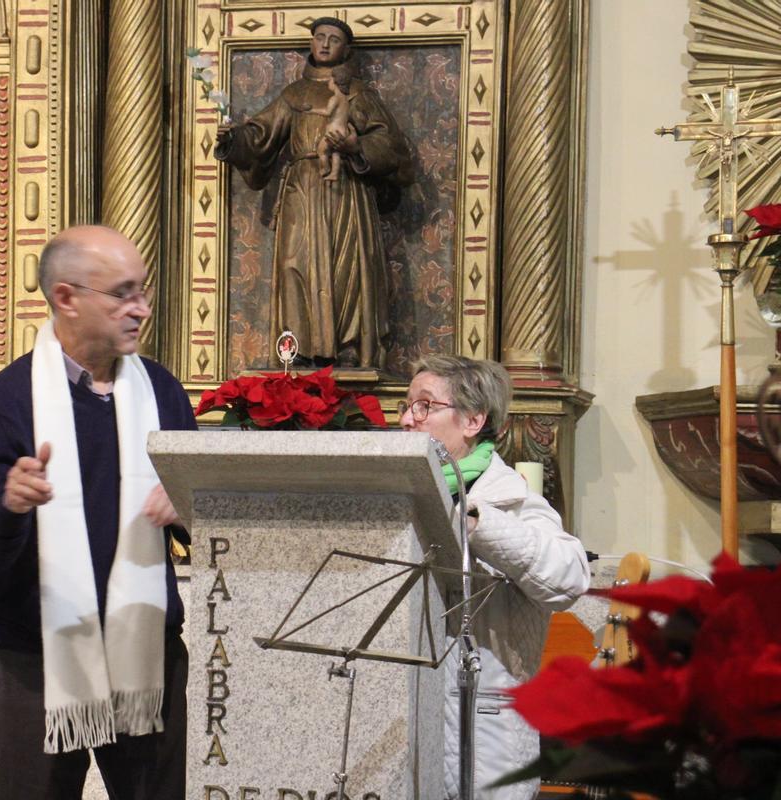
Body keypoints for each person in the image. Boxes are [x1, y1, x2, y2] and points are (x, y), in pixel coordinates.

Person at [0, 225, 194, 799]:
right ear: (66, 298)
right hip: (36, 655)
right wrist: (12, 507)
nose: (140, 309)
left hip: (146, 653)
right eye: (122, 293)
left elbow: (209, 526)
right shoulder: (5, 405)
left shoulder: (162, 394)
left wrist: (191, 505)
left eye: (144, 292)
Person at [398, 354, 590, 800]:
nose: (408, 419)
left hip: (484, 740)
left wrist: (480, 524)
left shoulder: (508, 499)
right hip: (407, 727)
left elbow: (570, 579)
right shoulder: (402, 494)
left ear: (472, 420)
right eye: (407, 406)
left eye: (425, 406)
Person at [215, 18, 412, 369]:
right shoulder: (294, 94)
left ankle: (349, 347)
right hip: (302, 188)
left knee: (347, 267)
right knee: (296, 262)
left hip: (346, 191)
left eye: (333, 39)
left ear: (346, 49)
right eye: (319, 37)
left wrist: (355, 145)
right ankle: (297, 349)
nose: (324, 44)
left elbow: (391, 146)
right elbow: (261, 134)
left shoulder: (360, 94)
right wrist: (234, 139)